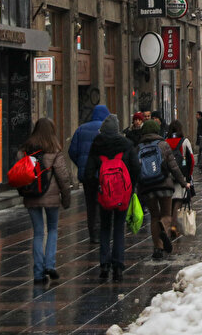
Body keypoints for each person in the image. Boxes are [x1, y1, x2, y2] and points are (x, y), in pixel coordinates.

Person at [86, 114, 140, 282]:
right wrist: (130, 187)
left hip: (105, 194)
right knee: (118, 228)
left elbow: (88, 173)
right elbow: (136, 168)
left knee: (104, 228)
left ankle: (104, 264)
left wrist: (98, 187)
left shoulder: (97, 145)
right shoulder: (126, 144)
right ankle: (118, 266)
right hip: (122, 194)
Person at [19, 118, 72, 284]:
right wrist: (66, 198)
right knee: (53, 229)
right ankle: (50, 264)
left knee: (38, 232)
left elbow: (19, 173)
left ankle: (38, 273)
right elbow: (63, 177)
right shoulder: (55, 151)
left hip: (31, 196)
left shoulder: (25, 150)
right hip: (52, 197)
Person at [136, 119, 188, 260]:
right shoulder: (163, 144)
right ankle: (164, 231)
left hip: (147, 187)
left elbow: (136, 169)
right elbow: (174, 167)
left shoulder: (138, 147)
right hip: (164, 184)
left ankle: (157, 248)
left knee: (154, 216)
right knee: (166, 214)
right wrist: (183, 183)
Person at [67, 103, 110, 243]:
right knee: (104, 202)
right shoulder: (107, 129)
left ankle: (93, 233)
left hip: (86, 174)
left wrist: (81, 164)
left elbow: (72, 151)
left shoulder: (81, 129)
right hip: (104, 173)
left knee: (90, 203)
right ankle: (102, 230)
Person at [164, 120, 195, 237]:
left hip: (168, 175)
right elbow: (191, 159)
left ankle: (167, 225)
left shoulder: (165, 142)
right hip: (181, 175)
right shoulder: (184, 141)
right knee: (179, 199)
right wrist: (188, 175)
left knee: (170, 199)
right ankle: (173, 225)